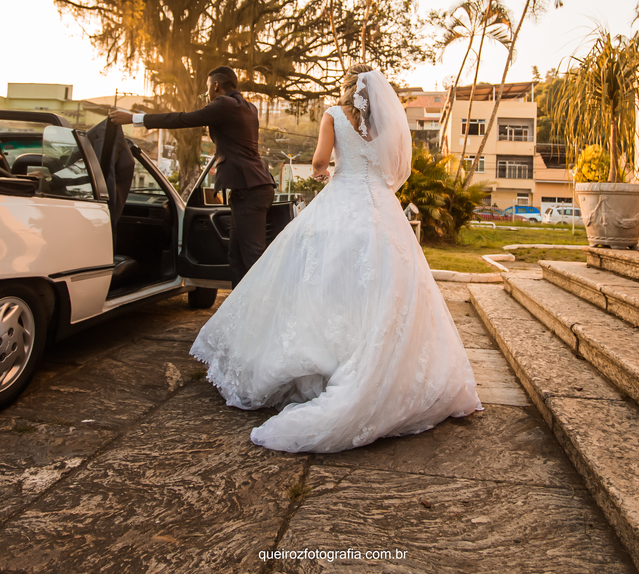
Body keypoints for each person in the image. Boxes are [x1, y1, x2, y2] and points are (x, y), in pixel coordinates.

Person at [188, 64, 482, 454]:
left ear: (346, 88)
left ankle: (323, 362)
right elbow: (395, 169)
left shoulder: (332, 115)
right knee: (383, 288)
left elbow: (319, 163)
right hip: (382, 210)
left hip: (341, 200)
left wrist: (325, 173)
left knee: (323, 283)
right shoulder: (385, 124)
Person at [110, 66, 274, 287]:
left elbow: (182, 119)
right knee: (236, 257)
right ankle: (241, 306)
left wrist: (133, 118)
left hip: (249, 188)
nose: (207, 93)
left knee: (252, 257)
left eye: (208, 87)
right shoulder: (248, 107)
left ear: (216, 85)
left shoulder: (224, 104)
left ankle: (267, 305)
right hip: (254, 185)